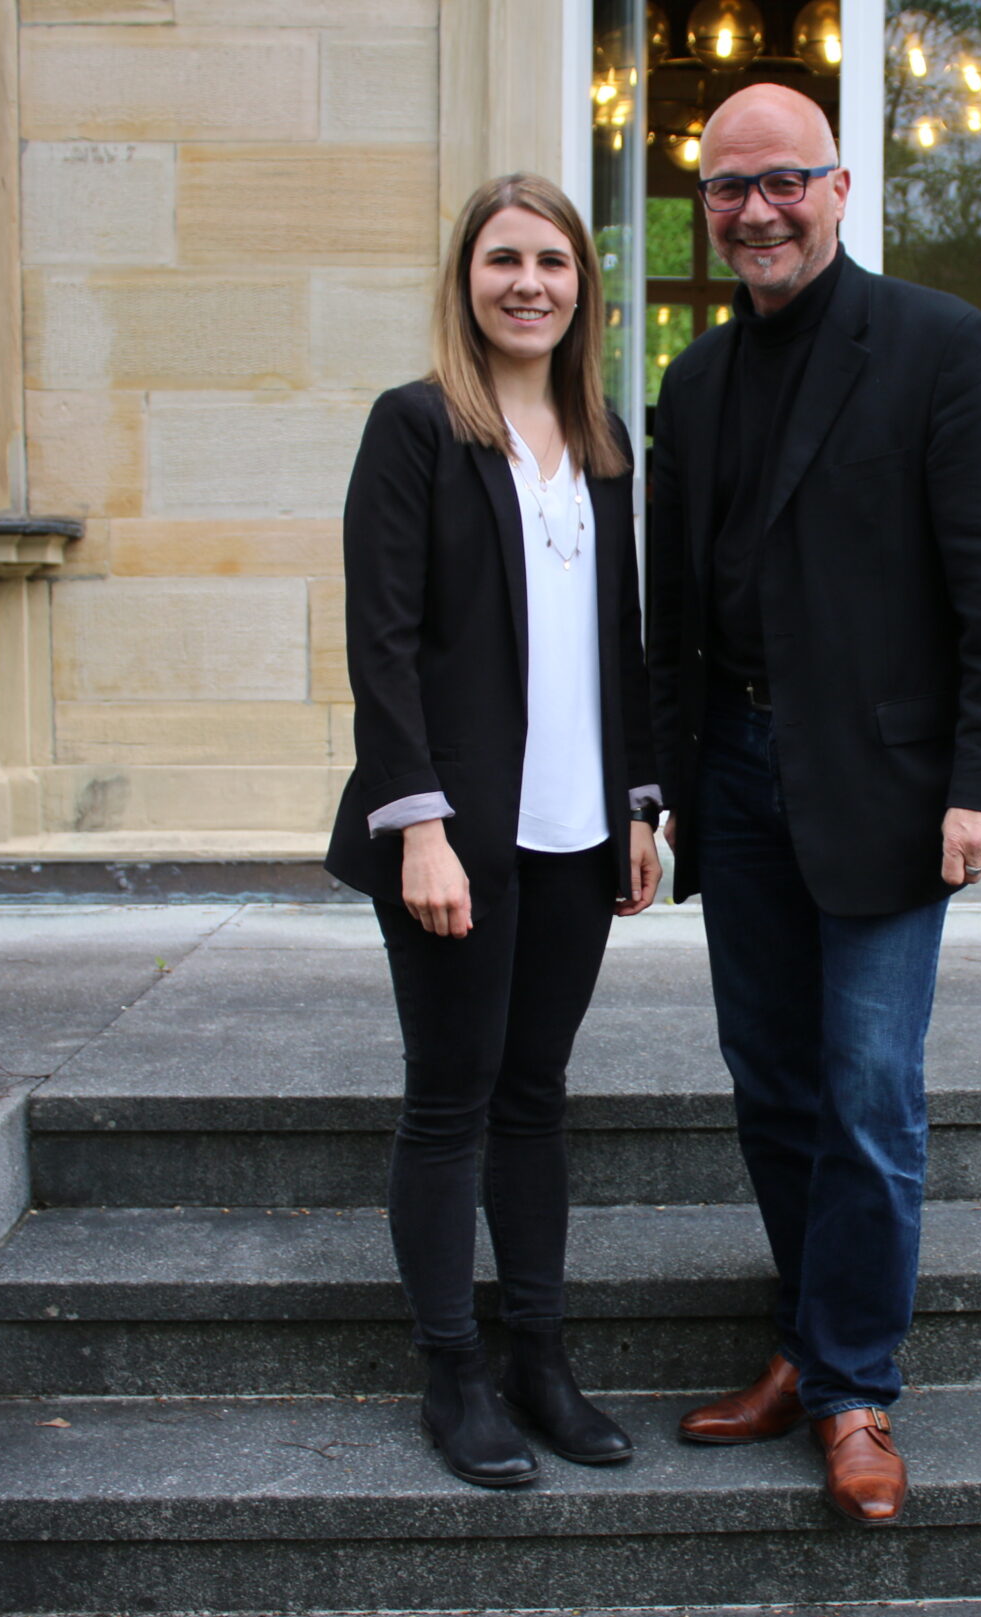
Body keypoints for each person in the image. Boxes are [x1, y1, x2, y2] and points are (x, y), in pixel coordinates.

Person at [646, 85, 981, 1524]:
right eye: (728, 190)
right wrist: (662, 790)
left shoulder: (941, 349)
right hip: (738, 788)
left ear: (836, 188)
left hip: (888, 791)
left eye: (783, 183)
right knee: (771, 1085)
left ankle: (857, 1390)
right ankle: (808, 1347)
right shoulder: (692, 386)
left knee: (870, 1093)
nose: (756, 210)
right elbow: (667, 620)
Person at [324, 172, 662, 1489]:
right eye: (504, 260)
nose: (530, 283)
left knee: (536, 1100)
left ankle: (541, 1359)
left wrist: (639, 801)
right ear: (467, 282)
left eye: (555, 263)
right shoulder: (414, 429)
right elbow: (382, 642)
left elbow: (618, 645)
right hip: (457, 834)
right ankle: (452, 1372)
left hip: (581, 834)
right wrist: (418, 826)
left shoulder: (603, 443)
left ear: (585, 288)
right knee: (450, 1101)